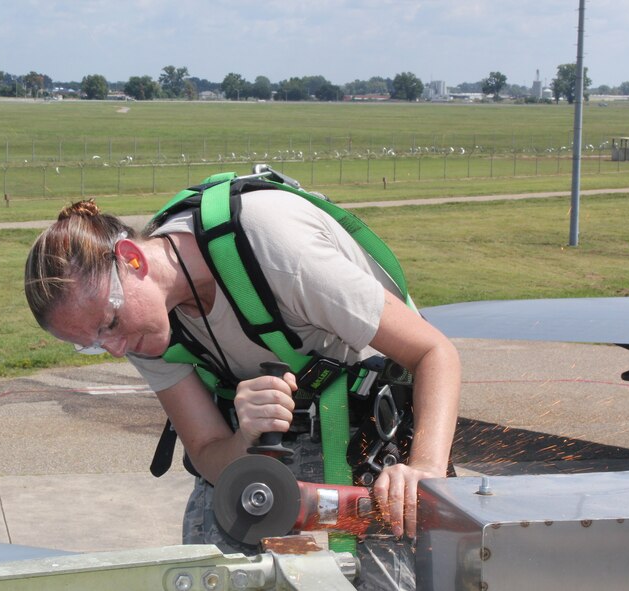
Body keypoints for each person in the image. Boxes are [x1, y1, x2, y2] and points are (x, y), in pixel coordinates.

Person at [24, 174, 460, 589]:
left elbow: (434, 353)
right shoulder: (142, 332)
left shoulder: (269, 242)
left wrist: (424, 471)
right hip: (267, 447)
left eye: (110, 323)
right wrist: (245, 436)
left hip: (373, 441)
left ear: (132, 259)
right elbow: (208, 449)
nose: (116, 348)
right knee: (209, 571)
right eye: (92, 345)